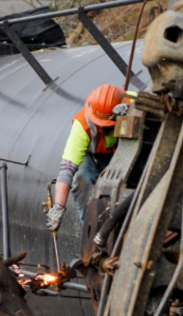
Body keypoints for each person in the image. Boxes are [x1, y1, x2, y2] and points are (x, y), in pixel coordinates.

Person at [46, 84, 134, 233]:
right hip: (93, 157)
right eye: (100, 124)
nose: (103, 128)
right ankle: (91, 232)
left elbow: (159, 104)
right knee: (81, 181)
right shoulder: (82, 124)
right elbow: (67, 170)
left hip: (126, 153)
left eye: (107, 125)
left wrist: (134, 112)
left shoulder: (132, 100)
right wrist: (58, 208)